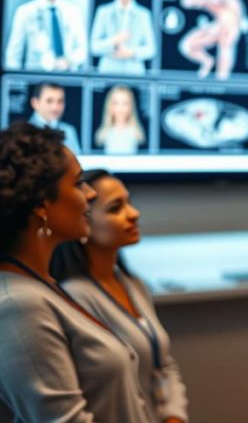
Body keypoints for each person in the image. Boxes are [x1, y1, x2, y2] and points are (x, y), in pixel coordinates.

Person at [0, 122, 151, 422]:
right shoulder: (18, 305)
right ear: (43, 204)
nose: (91, 194)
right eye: (79, 182)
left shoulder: (41, 285)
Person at [50, 169, 189, 423]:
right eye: (115, 208)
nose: (134, 214)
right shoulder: (75, 297)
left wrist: (173, 416)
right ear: (83, 222)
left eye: (129, 202)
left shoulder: (132, 284)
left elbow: (162, 365)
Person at [5, 0, 87, 72]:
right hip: (36, 78)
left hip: (68, 75)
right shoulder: (24, 12)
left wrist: (69, 61)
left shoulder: (74, 12)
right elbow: (13, 54)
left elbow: (82, 49)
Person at [178, 0, 248, 80]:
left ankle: (220, 80)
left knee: (223, 72)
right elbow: (186, 2)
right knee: (186, 46)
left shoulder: (227, 1)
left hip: (227, 28)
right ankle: (206, 61)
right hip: (218, 26)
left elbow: (231, 9)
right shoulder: (205, 0)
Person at [91, 0, 156, 75]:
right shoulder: (103, 12)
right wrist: (113, 40)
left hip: (135, 74)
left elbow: (151, 49)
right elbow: (94, 47)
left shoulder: (144, 14)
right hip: (108, 73)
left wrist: (131, 53)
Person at [28, 82, 82, 155]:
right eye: (49, 101)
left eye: (60, 101)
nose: (55, 107)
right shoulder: (23, 131)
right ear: (35, 103)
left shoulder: (69, 131)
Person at [94, 85, 145, 155]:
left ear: (131, 106)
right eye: (116, 103)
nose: (120, 109)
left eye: (125, 103)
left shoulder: (137, 134)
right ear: (109, 106)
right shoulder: (102, 134)